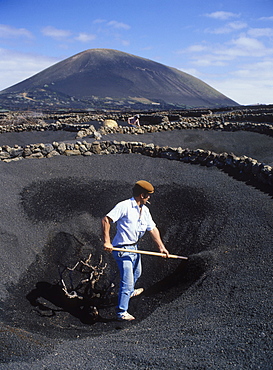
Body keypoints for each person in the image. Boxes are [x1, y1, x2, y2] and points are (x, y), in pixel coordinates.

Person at [101, 180, 169, 321]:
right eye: (148, 195)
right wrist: (107, 241)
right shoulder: (124, 206)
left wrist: (161, 248)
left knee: (137, 272)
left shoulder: (145, 210)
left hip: (134, 248)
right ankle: (121, 312)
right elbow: (106, 220)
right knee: (127, 280)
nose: (149, 198)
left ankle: (129, 292)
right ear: (142, 195)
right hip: (121, 248)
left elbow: (153, 229)